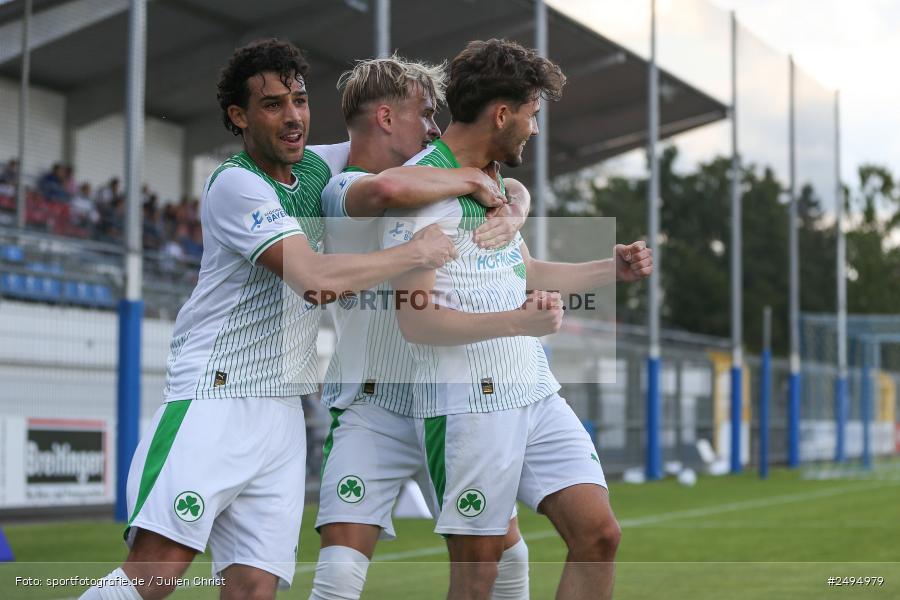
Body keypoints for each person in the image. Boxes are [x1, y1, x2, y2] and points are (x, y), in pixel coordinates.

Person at [79, 38, 458, 600]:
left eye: (299, 100)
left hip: (283, 413)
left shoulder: (319, 167)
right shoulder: (237, 184)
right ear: (239, 116)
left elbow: (388, 159)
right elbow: (315, 281)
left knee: (255, 588)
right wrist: (413, 253)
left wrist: (503, 191)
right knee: (155, 574)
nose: (293, 116)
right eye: (273, 104)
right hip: (217, 395)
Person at [384, 39, 653, 600]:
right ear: (502, 114)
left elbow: (524, 272)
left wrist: (612, 270)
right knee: (478, 574)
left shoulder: (490, 183)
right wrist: (516, 323)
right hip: (464, 405)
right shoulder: (423, 187)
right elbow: (416, 322)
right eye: (532, 113)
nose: (535, 128)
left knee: (599, 534)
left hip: (533, 390)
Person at [310, 55, 531, 600]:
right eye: (425, 114)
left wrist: (515, 205)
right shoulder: (344, 187)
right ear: (386, 118)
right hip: (372, 405)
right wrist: (475, 179)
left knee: (508, 559)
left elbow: (506, 185)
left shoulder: (436, 182)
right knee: (338, 574)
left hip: (442, 400)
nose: (435, 127)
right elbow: (386, 192)